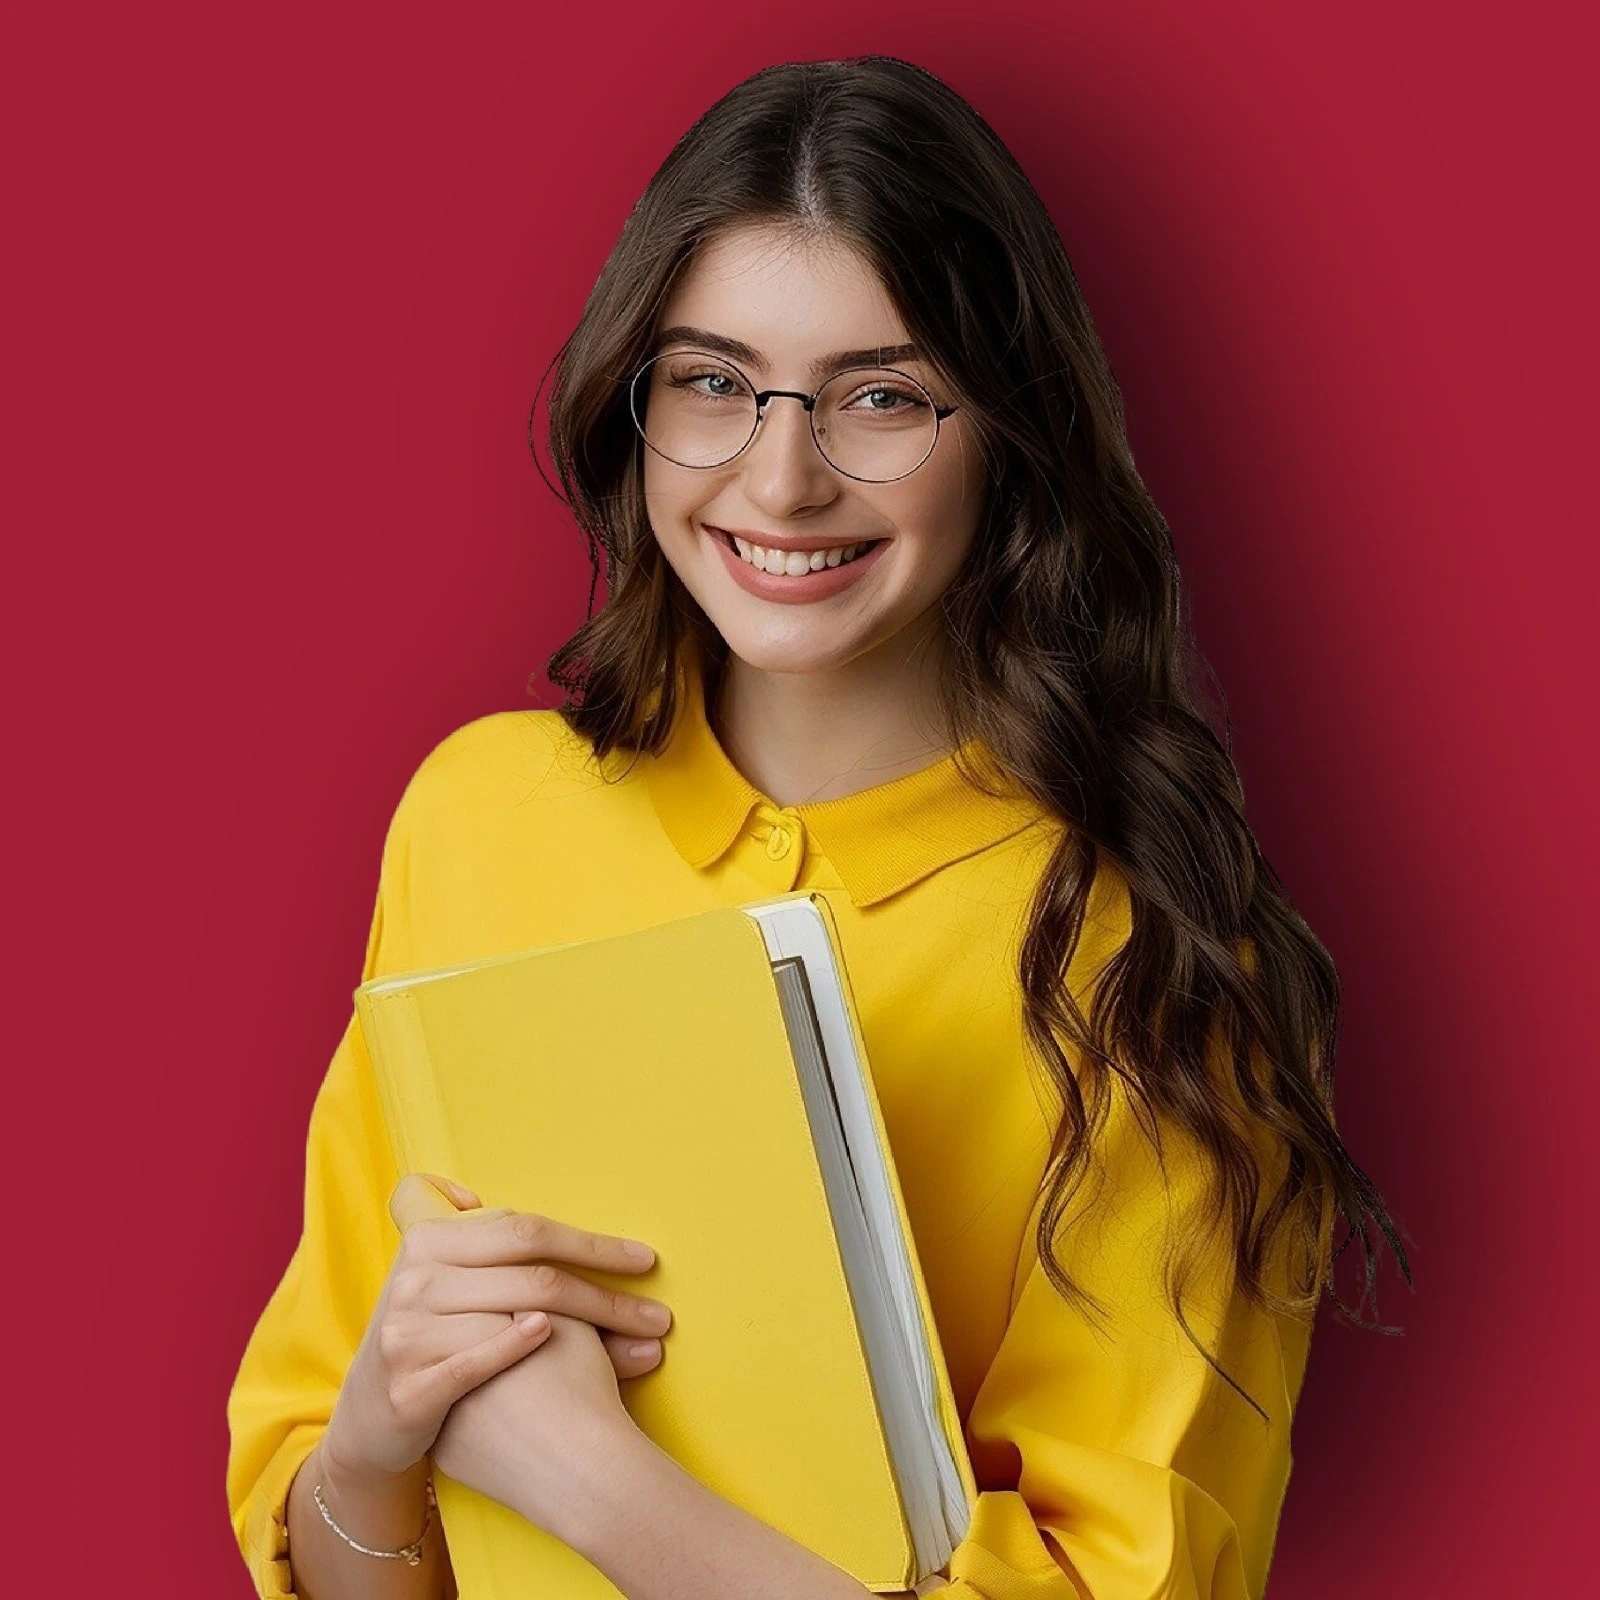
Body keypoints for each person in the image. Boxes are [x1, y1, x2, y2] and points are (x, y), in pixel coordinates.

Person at [225, 54, 1408, 1600]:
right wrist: (383, 1433)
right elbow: (339, 1553)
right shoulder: (477, 816)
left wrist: (583, 1475)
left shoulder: (1159, 951)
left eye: (883, 398)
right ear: (631, 406)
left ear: (1010, 434)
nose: (781, 481)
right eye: (714, 381)